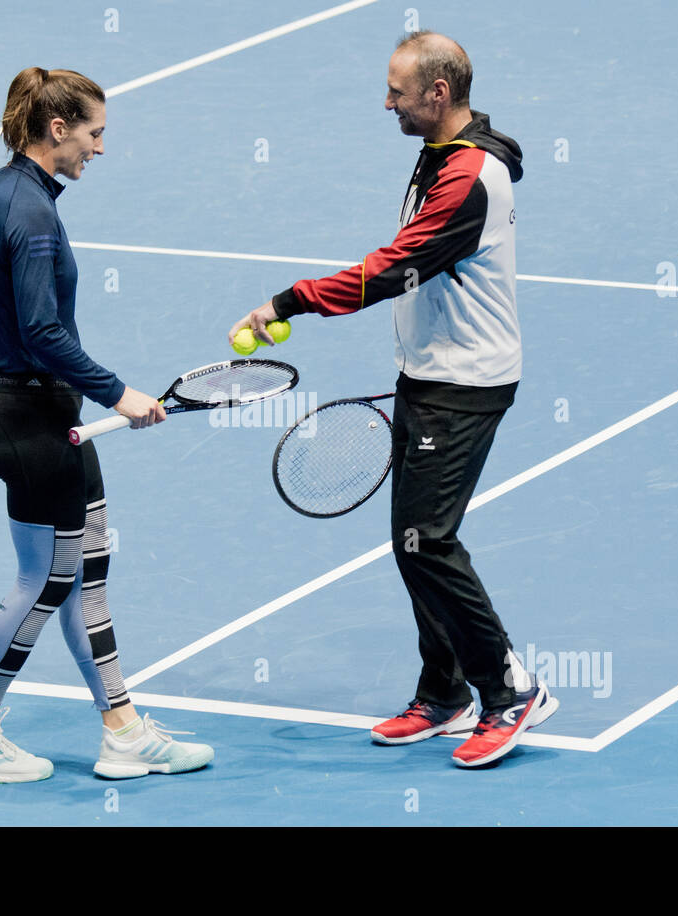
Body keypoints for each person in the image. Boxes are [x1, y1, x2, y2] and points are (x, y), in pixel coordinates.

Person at [0, 66, 213, 782]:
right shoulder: (30, 214)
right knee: (46, 580)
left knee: (88, 571)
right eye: (94, 133)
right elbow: (41, 332)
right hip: (32, 423)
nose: (100, 147)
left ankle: (122, 730)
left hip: (51, 415)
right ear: (57, 130)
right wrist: (120, 393)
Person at [230, 32, 557, 768]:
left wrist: (292, 300)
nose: (387, 102)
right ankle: (444, 692)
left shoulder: (468, 176)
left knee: (427, 543)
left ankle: (511, 689)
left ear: (437, 93)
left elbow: (394, 268)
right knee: (413, 544)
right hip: (429, 373)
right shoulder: (443, 151)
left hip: (465, 386)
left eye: (397, 92)